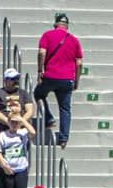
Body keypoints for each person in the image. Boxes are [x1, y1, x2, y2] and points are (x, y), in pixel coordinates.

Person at [35, 13, 83, 147]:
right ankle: (63, 138)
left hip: (50, 75)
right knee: (65, 108)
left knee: (38, 94)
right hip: (67, 79)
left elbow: (41, 52)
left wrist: (40, 70)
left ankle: (49, 118)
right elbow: (79, 63)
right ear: (67, 26)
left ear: (55, 24)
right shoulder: (74, 40)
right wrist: (76, 81)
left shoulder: (47, 35)